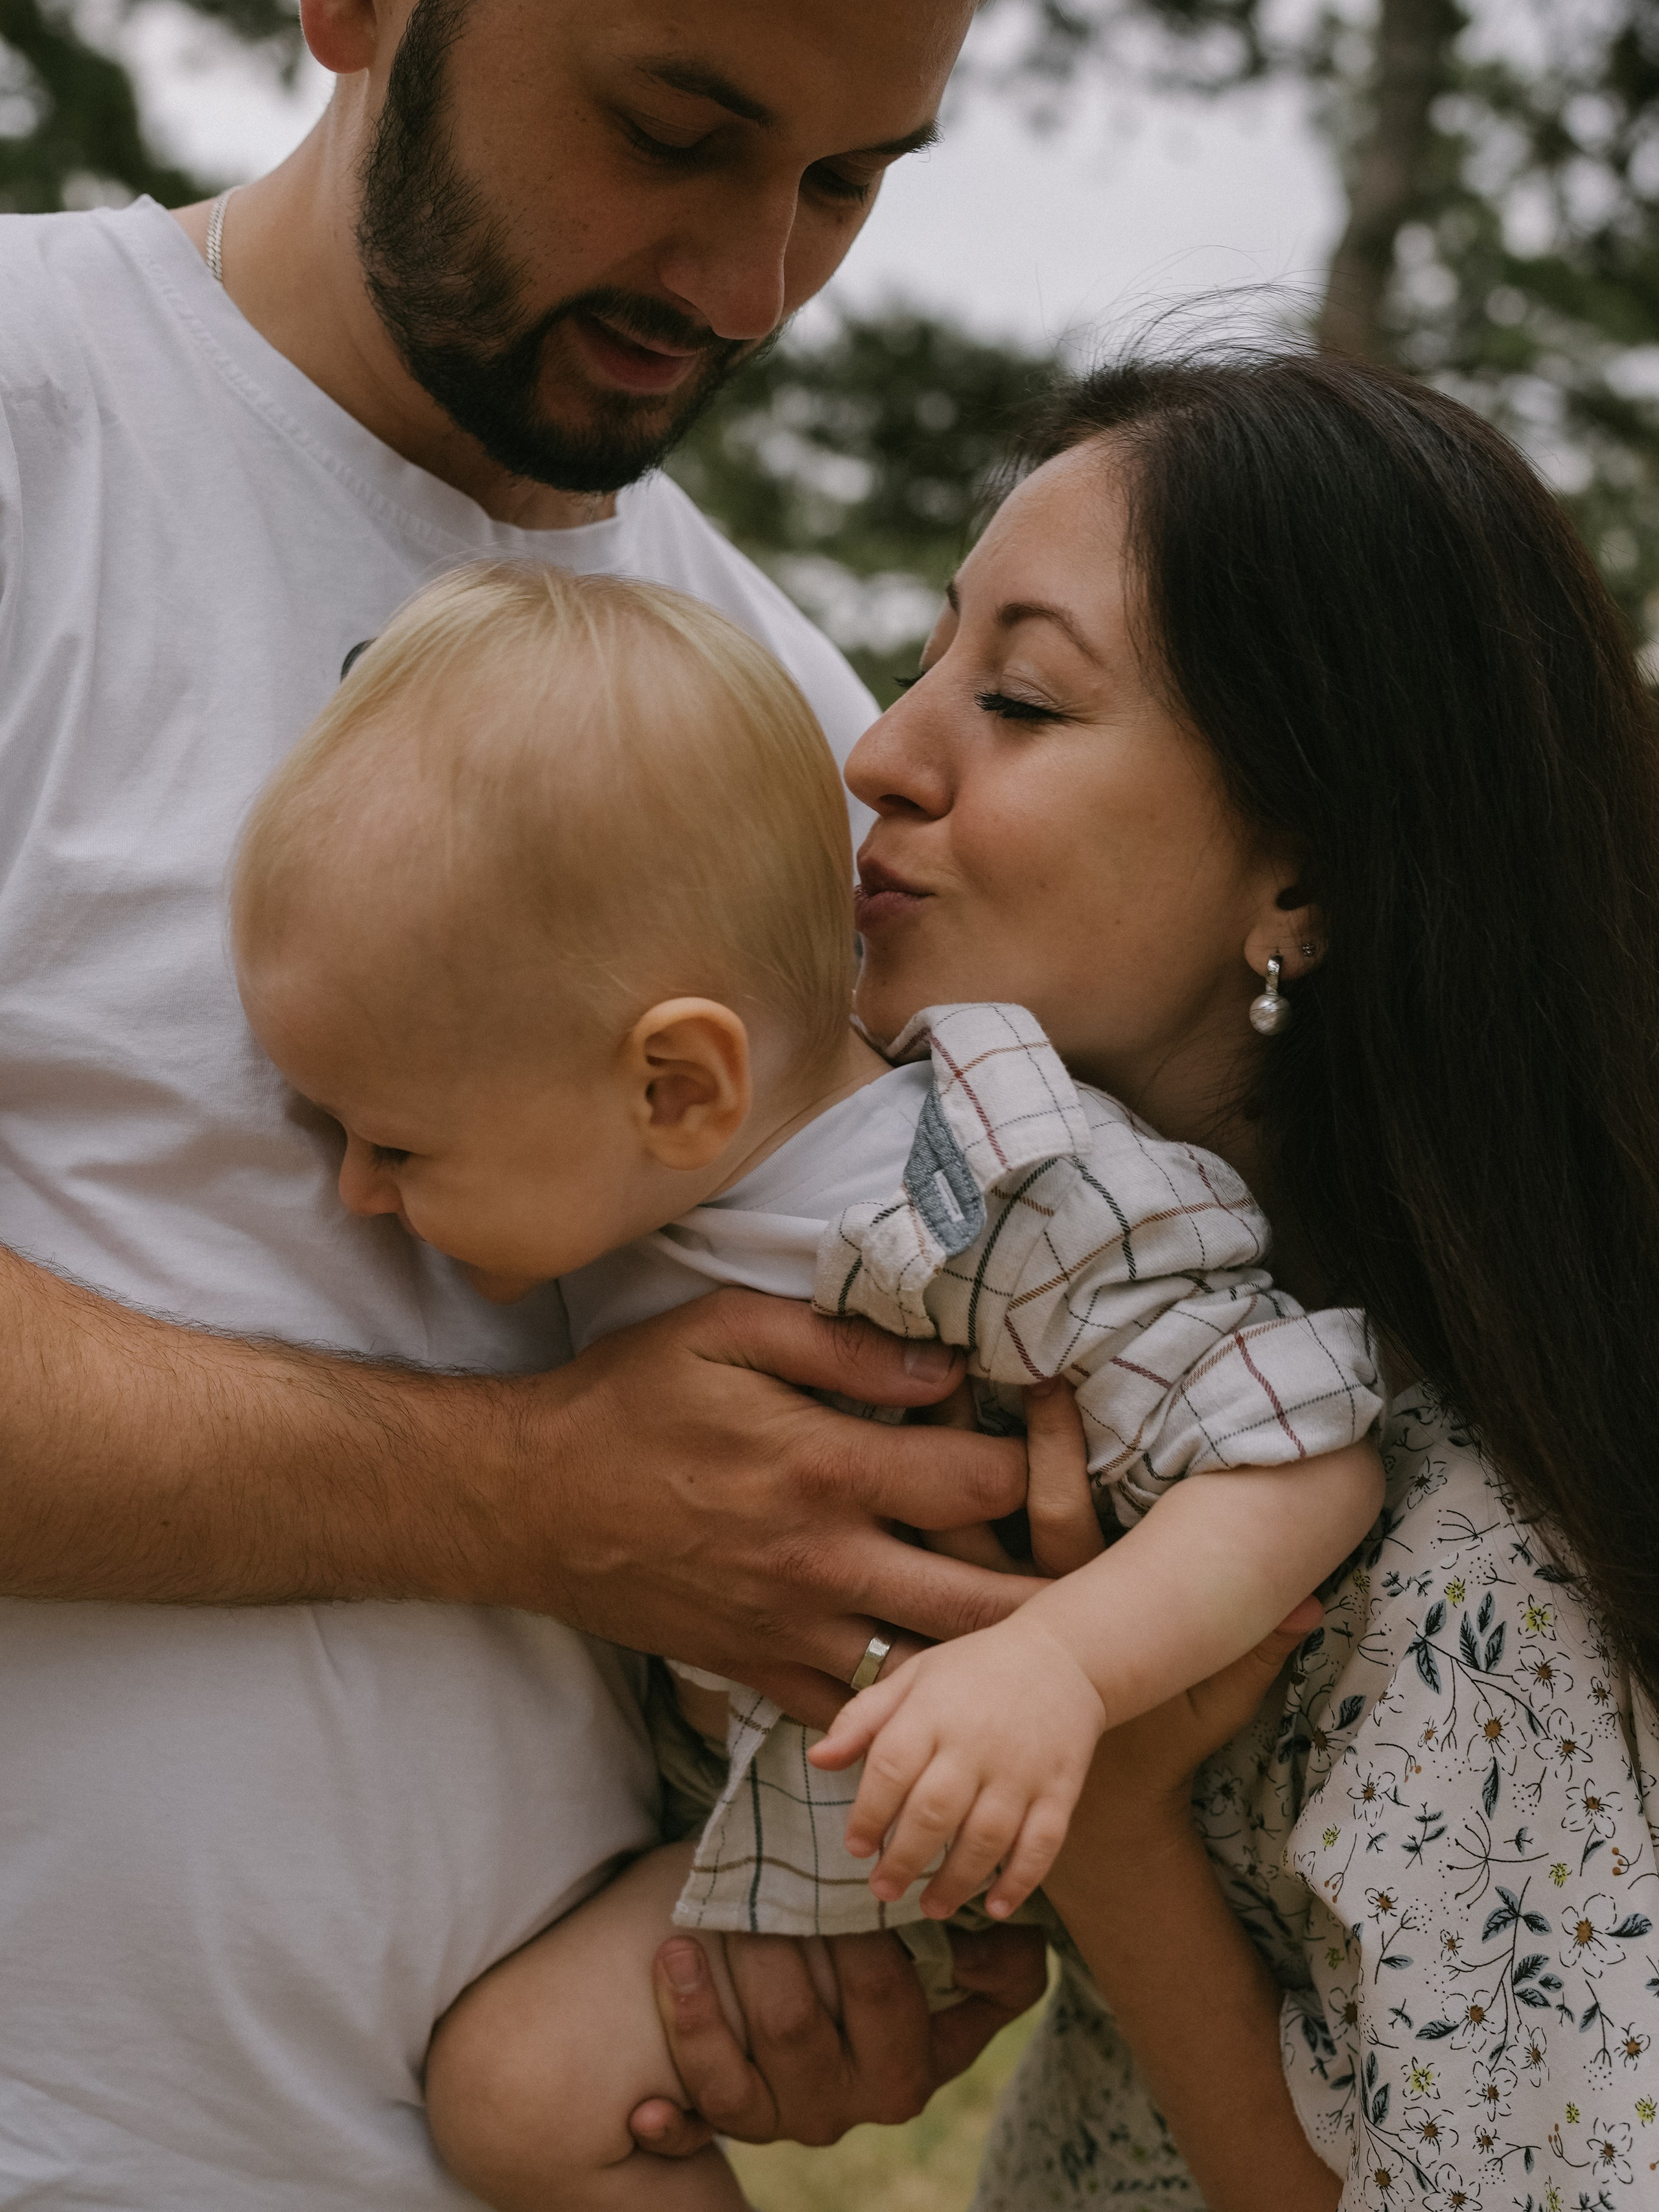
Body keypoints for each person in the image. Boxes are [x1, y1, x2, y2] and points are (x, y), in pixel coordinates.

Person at [0, 0, 1052, 2202]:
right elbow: (597, 1493)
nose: (752, 285)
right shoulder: (34, 421)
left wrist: (796, 1907)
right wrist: (522, 1494)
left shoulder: (787, 718)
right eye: (678, 128)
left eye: (853, 184)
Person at [226, 553, 1385, 2207]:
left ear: (679, 1084)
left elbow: (1306, 1451)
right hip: (785, 1818)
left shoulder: (982, 1189)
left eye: (396, 1143)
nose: (353, 1194)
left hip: (991, 1780)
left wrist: (1055, 1671)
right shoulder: (633, 1166)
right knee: (522, 2094)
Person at [648, 348, 1659, 2205]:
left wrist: (1111, 1828)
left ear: (1305, 877)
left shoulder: (1474, 1592)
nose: (880, 747)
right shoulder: (1073, 1360)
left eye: (1021, 694)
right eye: (935, 652)